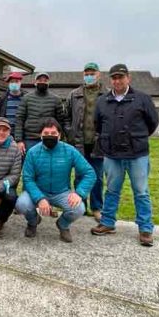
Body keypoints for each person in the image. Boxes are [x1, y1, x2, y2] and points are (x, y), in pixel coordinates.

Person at [91, 63, 159, 247]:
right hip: (112, 155)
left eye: (121, 77)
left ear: (128, 78)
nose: (117, 80)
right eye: (114, 77)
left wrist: (137, 138)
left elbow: (152, 123)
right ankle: (107, 223)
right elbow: (98, 125)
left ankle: (145, 229)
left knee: (141, 192)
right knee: (112, 190)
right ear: (110, 80)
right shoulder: (102, 101)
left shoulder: (142, 99)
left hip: (137, 154)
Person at [15, 119, 96, 243]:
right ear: (40, 135)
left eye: (53, 133)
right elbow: (27, 178)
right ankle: (33, 222)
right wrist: (40, 198)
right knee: (22, 204)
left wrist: (79, 193)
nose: (50, 136)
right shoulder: (32, 152)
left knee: (79, 208)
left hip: (61, 192)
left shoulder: (70, 151)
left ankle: (63, 225)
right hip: (38, 190)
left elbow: (89, 173)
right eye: (46, 133)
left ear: (59, 135)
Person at [67, 62, 104, 219]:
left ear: (98, 74)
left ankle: (97, 208)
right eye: (86, 73)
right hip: (78, 142)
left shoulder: (106, 94)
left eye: (92, 73)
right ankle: (81, 205)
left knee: (97, 176)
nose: (89, 76)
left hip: (98, 143)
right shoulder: (74, 94)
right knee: (80, 176)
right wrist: (70, 133)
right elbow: (66, 117)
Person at [15, 72, 69, 155]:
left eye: (45, 80)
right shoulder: (26, 99)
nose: (42, 82)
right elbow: (19, 119)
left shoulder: (56, 99)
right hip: (30, 139)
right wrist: (19, 140)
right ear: (35, 82)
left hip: (49, 138)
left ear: (48, 83)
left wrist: (60, 138)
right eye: (40, 80)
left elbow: (61, 120)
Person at [0, 71, 26, 140]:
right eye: (12, 82)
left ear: (20, 83)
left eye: (16, 81)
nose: (14, 84)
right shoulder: (2, 98)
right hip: (5, 133)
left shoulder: (26, 98)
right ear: (8, 84)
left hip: (21, 134)